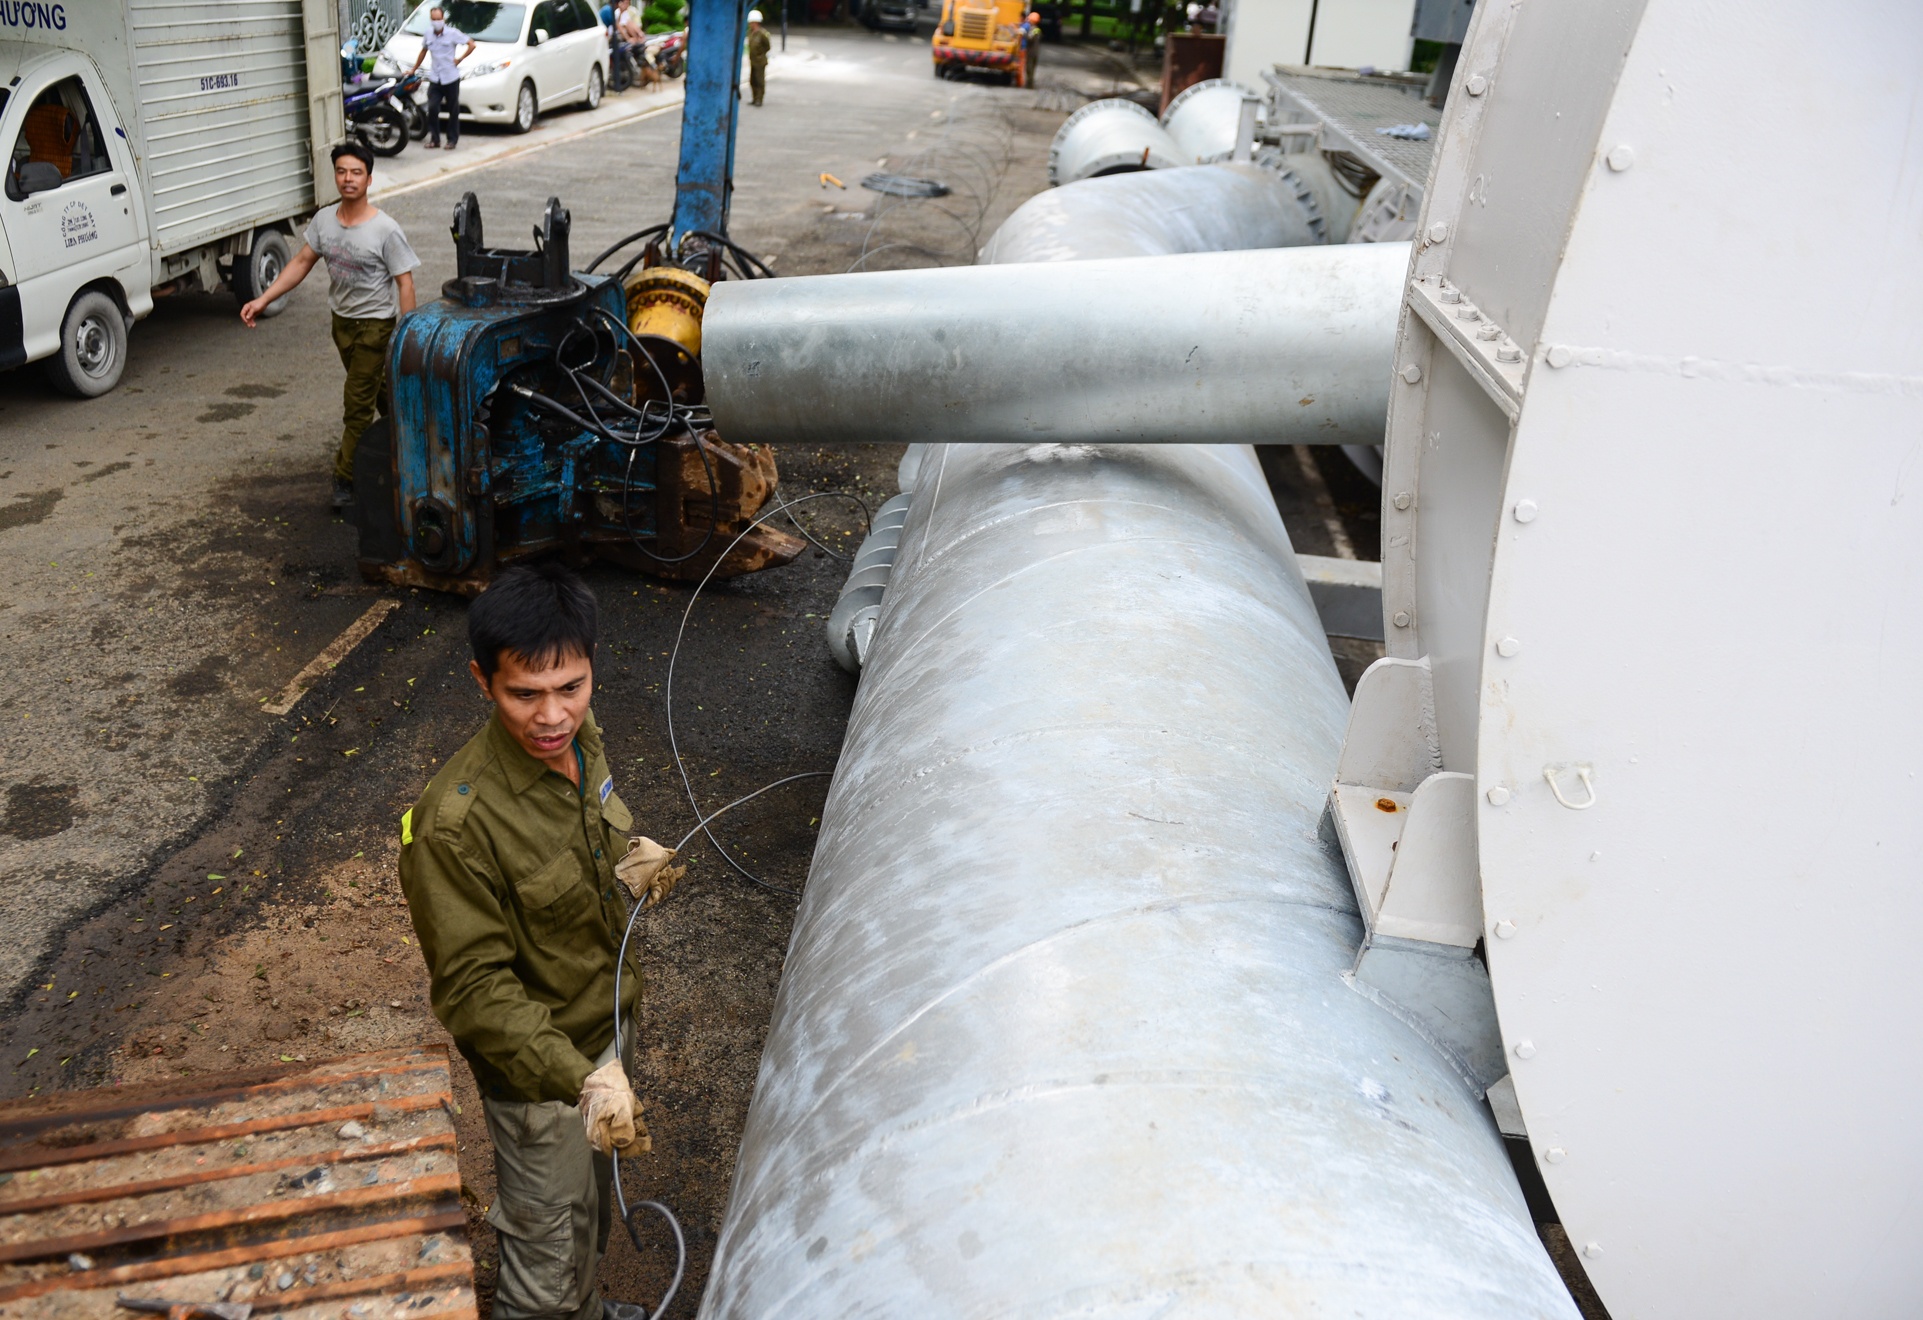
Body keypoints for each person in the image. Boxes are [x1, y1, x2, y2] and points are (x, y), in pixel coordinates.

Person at [400, 563, 681, 1320]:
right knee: (546, 1260)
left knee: (585, 1214)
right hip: (539, 1073)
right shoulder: (453, 825)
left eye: (571, 687)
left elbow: (583, 838)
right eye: (524, 693)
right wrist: (580, 1078)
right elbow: (472, 989)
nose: (551, 715)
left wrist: (628, 862)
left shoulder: (582, 741)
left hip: (604, 1026)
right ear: (482, 682)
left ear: (590, 669)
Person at [239, 141, 419, 510]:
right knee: (382, 392)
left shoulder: (385, 229)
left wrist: (408, 333)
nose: (348, 179)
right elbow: (302, 262)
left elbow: (405, 283)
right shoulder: (324, 221)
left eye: (356, 172)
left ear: (369, 179)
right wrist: (262, 299)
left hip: (375, 327)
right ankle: (417, 445)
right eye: (341, 171)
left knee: (357, 405)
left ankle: (345, 479)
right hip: (342, 325)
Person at [407, 6, 476, 149]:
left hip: (450, 77)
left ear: (443, 19)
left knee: (453, 110)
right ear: (431, 20)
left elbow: (471, 44)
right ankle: (435, 139)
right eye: (434, 19)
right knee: (432, 108)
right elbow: (423, 51)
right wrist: (413, 69)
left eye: (439, 19)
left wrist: (459, 59)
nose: (436, 22)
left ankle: (452, 140)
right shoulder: (428, 34)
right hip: (435, 78)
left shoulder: (452, 33)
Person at [745, 9, 771, 107]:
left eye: (751, 22)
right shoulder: (750, 33)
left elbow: (767, 46)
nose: (750, 24)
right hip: (752, 61)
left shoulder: (763, 34)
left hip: (760, 61)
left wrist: (760, 54)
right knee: (752, 81)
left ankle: (759, 99)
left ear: (756, 22)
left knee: (760, 81)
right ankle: (754, 98)